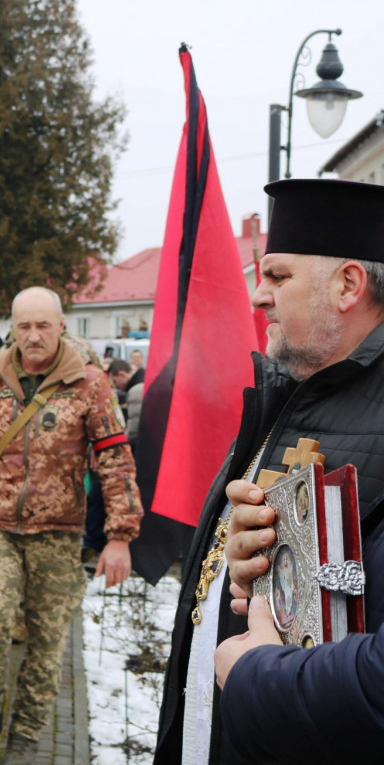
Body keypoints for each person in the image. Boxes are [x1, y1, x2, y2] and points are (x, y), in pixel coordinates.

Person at [155, 178, 384, 765]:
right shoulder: (287, 391)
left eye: (277, 276)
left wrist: (261, 675)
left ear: (348, 285)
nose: (259, 296)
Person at [0, 286, 140, 765]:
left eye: (43, 325)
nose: (33, 336)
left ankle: (27, 735)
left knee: (47, 639)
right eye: (24, 326)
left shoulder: (90, 384)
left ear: (61, 326)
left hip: (59, 530)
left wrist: (119, 536)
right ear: (14, 328)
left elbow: (114, 460)